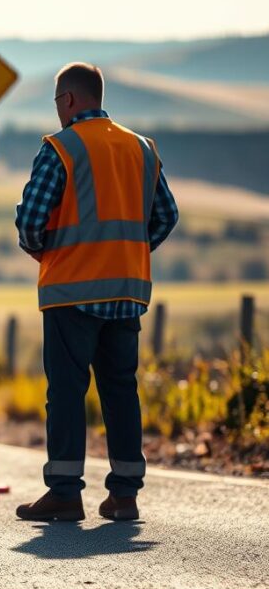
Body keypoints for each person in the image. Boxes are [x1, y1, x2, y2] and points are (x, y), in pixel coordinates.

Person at [14, 62, 179, 522]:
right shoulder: (142, 149)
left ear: (67, 100)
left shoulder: (62, 148)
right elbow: (166, 215)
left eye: (57, 103)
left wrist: (42, 251)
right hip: (127, 291)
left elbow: (30, 221)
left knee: (67, 391)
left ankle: (65, 493)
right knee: (121, 389)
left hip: (72, 291)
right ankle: (124, 495)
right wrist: (129, 255)